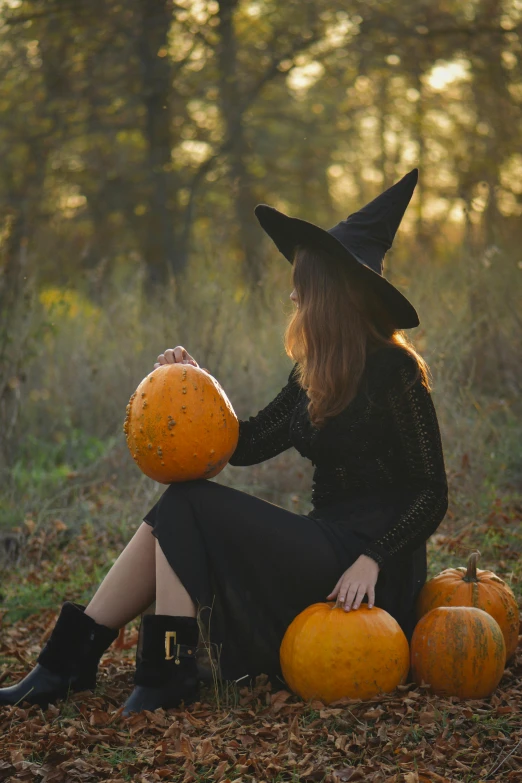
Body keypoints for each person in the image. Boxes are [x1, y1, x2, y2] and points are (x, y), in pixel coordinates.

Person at [0, 169, 449, 716]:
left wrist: (372, 559)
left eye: (301, 285)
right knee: (181, 503)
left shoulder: (396, 372)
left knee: (188, 503)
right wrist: (193, 386)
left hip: (370, 574)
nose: (292, 295)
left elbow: (432, 492)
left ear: (329, 293)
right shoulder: (317, 373)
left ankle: (155, 669)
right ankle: (67, 665)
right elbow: (245, 443)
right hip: (324, 541)